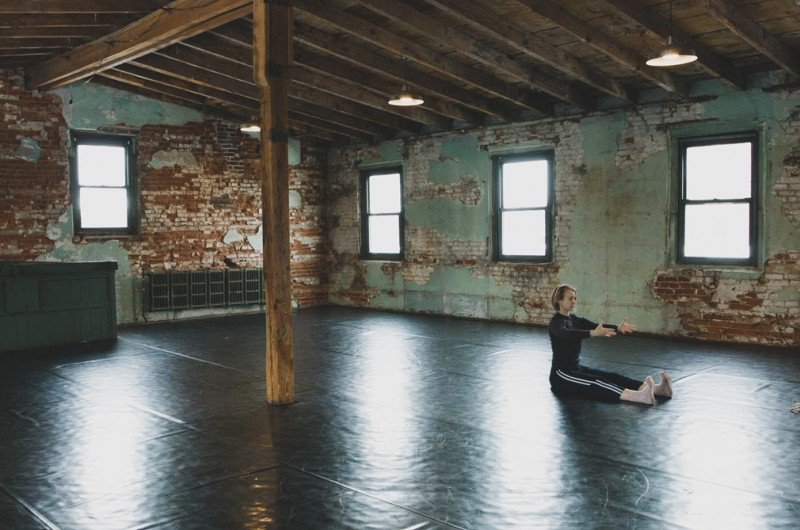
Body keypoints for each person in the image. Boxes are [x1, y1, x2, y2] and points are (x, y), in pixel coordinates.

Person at [548, 284, 673, 405]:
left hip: (577, 368)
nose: (574, 301)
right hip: (561, 375)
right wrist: (592, 333)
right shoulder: (555, 323)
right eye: (570, 298)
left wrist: (618, 328)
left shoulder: (575, 319)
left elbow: (598, 327)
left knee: (612, 376)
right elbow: (567, 334)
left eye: (575, 298)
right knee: (597, 382)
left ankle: (658, 390)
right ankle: (638, 396)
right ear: (559, 300)